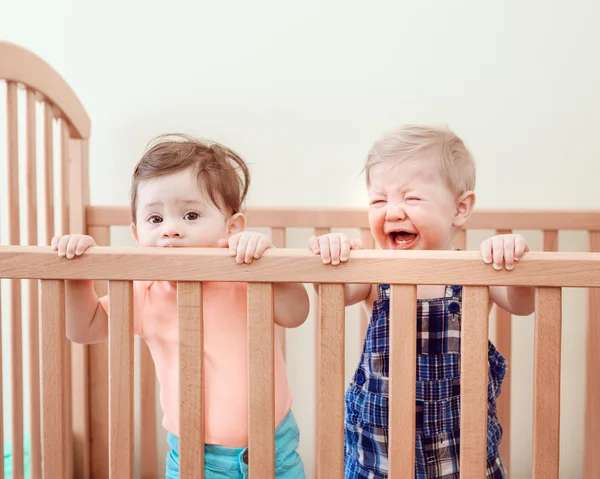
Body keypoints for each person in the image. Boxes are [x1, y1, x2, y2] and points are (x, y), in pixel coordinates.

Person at [309, 124, 534, 478]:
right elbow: (333, 293)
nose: (394, 212)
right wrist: (335, 254)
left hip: (462, 455)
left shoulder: (477, 272)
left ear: (460, 208)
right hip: (378, 454)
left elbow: (523, 304)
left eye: (411, 198)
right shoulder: (373, 274)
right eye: (379, 200)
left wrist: (513, 261)